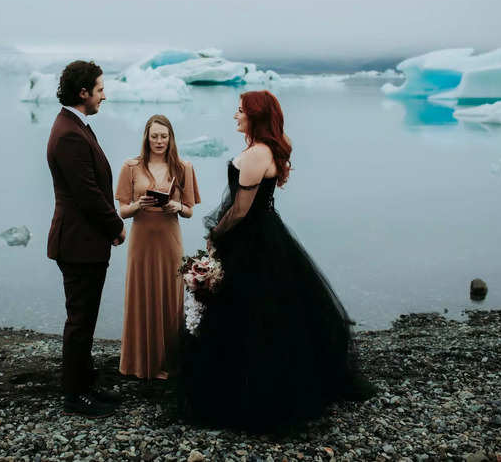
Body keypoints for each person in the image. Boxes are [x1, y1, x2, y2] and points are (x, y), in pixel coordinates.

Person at [181, 90, 374, 431]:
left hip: (253, 240)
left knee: (252, 312)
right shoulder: (261, 149)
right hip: (261, 234)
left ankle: (250, 394)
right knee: (262, 311)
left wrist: (217, 234)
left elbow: (240, 209)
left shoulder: (258, 153)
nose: (236, 115)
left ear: (255, 115)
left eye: (240, 111)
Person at [46, 60, 126, 418]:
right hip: (78, 242)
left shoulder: (76, 127)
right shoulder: (68, 134)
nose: (103, 96)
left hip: (84, 240)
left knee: (86, 316)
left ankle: (86, 383)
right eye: (100, 89)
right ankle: (75, 395)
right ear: (83, 93)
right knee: (80, 320)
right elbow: (87, 193)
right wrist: (116, 226)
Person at [116, 115, 200, 379]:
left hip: (169, 241)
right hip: (141, 240)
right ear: (147, 137)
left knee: (170, 297)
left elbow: (189, 212)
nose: (159, 141)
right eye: (154, 136)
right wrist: (138, 205)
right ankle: (139, 364)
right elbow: (122, 211)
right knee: (141, 295)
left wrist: (176, 206)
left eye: (164, 136)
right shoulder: (131, 166)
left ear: (171, 138)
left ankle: (168, 363)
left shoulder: (183, 167)